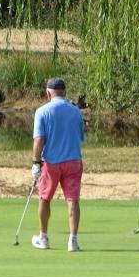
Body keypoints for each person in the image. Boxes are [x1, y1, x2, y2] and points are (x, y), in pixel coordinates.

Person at [31, 77, 84, 251]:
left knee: (44, 199)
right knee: (73, 201)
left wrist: (36, 163)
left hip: (51, 163)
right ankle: (73, 241)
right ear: (64, 92)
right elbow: (80, 137)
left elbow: (39, 140)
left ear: (48, 92)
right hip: (73, 161)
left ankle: (44, 238)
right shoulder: (76, 112)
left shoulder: (42, 111)